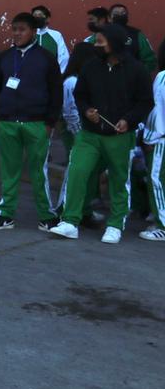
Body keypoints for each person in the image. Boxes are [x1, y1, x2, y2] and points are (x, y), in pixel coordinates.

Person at [48, 23, 153, 244]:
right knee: (78, 172)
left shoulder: (137, 70)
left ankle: (115, 225)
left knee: (118, 179)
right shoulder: (91, 67)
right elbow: (80, 94)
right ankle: (70, 221)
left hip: (120, 136)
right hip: (89, 134)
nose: (95, 45)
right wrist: (87, 110)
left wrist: (128, 120)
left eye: (100, 42)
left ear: (113, 44)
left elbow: (145, 102)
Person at [0, 12, 62, 231]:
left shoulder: (46, 58)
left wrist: (50, 122)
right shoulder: (5, 57)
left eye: (22, 29)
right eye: (14, 29)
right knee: (9, 171)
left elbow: (56, 92)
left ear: (33, 32)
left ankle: (46, 215)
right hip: (7, 122)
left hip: (37, 124)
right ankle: (5, 213)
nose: (17, 33)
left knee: (39, 171)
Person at [55, 41, 102, 227]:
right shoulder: (72, 81)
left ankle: (84, 210)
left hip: (84, 133)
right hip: (75, 133)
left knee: (88, 172)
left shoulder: (82, 78)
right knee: (75, 171)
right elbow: (70, 112)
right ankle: (63, 209)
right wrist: (78, 135)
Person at [139, 38, 165, 242]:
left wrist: (149, 137)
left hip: (161, 139)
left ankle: (163, 225)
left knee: (156, 180)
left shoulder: (162, 78)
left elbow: (156, 110)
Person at [107, 4, 157, 73]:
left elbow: (150, 60)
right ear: (109, 18)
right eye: (116, 13)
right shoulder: (100, 35)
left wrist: (138, 74)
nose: (120, 15)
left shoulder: (137, 35)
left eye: (123, 13)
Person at [31, 5, 69, 74]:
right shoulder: (28, 34)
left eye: (40, 15)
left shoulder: (56, 35)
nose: (36, 17)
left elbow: (63, 57)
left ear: (47, 19)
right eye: (34, 15)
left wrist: (58, 75)